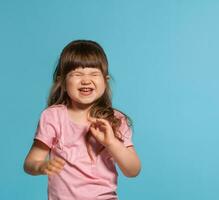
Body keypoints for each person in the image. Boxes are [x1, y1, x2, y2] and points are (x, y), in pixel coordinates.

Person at [24, 40, 141, 200]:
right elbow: (30, 162)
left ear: (105, 81)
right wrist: (41, 166)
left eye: (94, 74)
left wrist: (112, 143)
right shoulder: (52, 117)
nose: (86, 80)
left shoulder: (115, 120)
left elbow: (132, 170)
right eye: (77, 74)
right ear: (63, 82)